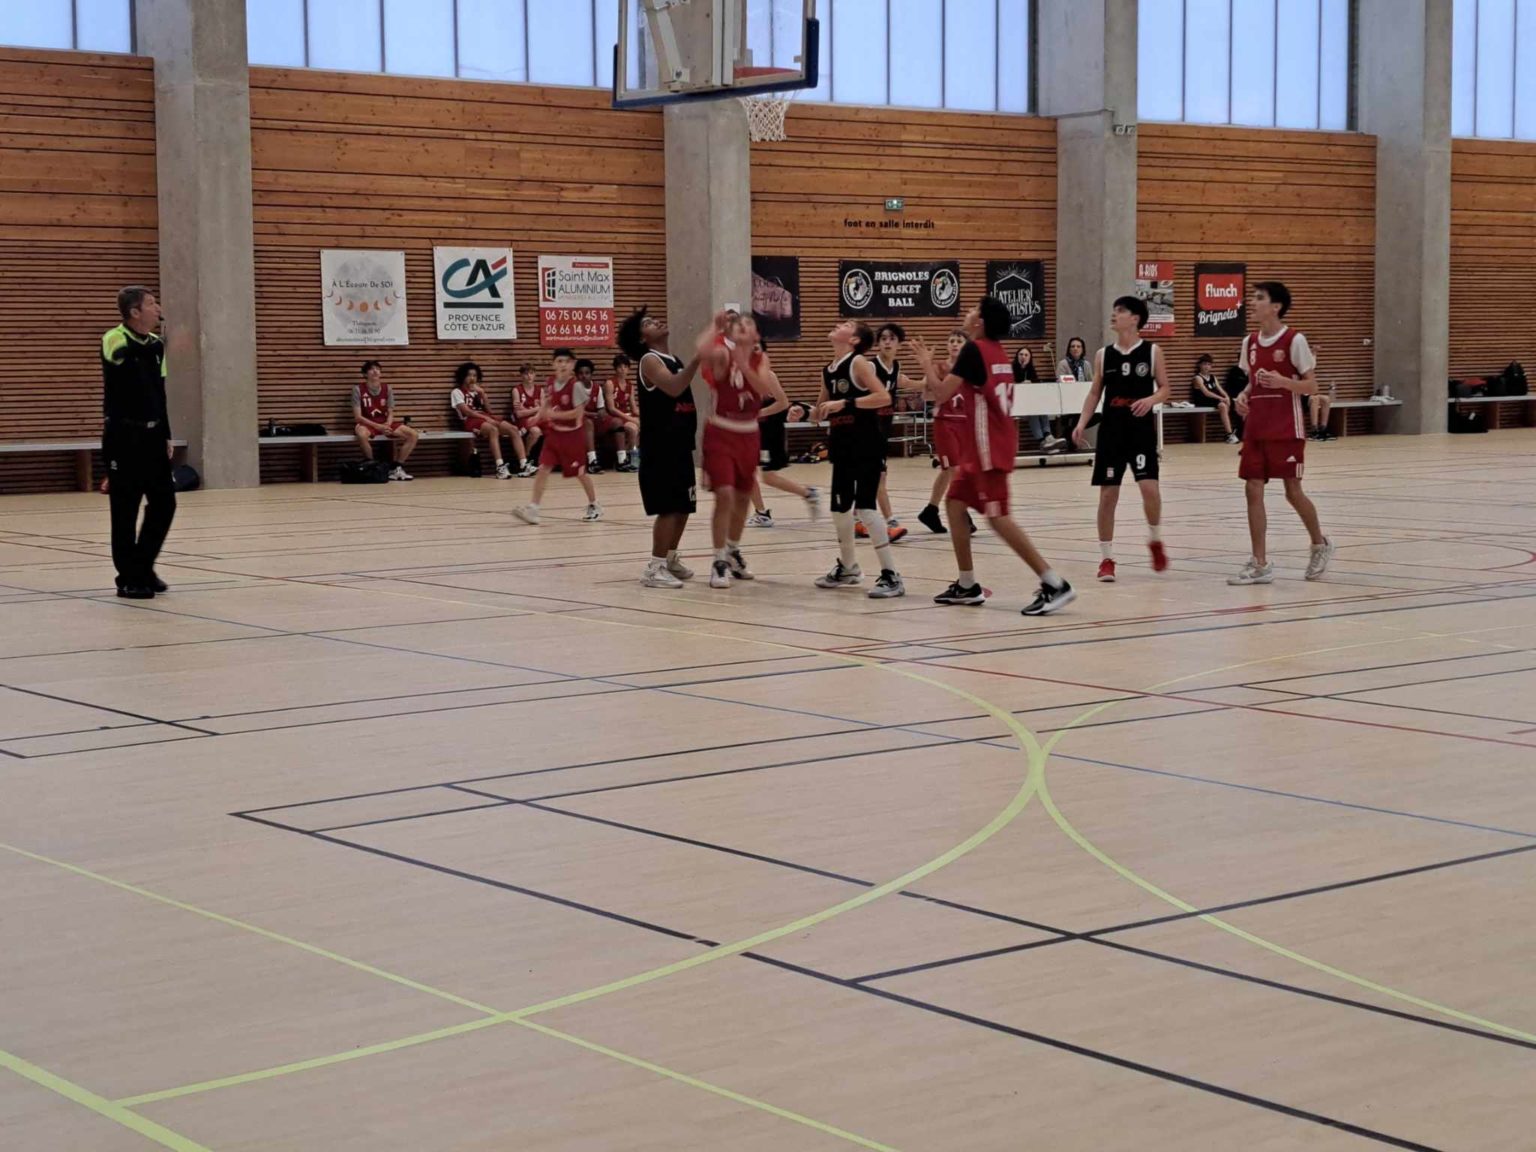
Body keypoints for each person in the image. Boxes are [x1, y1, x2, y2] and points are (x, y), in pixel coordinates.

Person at [910, 297, 1075, 616]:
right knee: (954, 503)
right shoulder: (997, 352)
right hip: (985, 446)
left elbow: (941, 394)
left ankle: (1055, 583)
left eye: (974, 309)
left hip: (989, 448)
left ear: (980, 322)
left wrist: (926, 364)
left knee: (998, 517)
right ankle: (967, 584)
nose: (969, 312)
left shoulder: (974, 350)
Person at [1229, 281, 1334, 584]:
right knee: (1252, 488)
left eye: (1259, 298)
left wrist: (1283, 382)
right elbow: (1252, 381)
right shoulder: (1249, 342)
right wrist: (1243, 396)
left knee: (1292, 491)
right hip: (1256, 427)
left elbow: (1312, 386)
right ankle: (1260, 563)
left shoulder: (1294, 340)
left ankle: (1319, 544)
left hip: (1286, 426)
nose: (1253, 302)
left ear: (1276, 307)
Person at [1073, 296, 1171, 583]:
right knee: (1108, 495)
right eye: (1114, 310)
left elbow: (1165, 388)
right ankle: (1106, 558)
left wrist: (1150, 400)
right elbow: (1095, 393)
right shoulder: (1104, 355)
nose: (1114, 315)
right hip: (1112, 430)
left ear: (1135, 319)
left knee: (1149, 489)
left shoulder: (1152, 352)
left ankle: (1155, 539)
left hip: (1140, 431)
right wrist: (1081, 423)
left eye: (1120, 311)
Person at [812, 321, 904, 598]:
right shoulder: (828, 370)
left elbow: (883, 397)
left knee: (865, 508)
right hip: (841, 445)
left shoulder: (858, 363)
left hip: (866, 443)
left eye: (847, 324)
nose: (839, 324)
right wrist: (805, 412)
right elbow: (820, 410)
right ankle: (849, 567)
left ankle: (891, 575)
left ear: (853, 340)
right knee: (840, 510)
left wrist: (846, 403)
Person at [619, 306, 702, 588]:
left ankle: (669, 558)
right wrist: (699, 358)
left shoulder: (673, 359)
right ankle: (654, 568)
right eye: (648, 323)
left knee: (684, 506)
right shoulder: (649, 360)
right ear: (642, 338)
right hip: (661, 446)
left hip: (680, 443)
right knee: (668, 507)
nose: (656, 321)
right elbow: (675, 387)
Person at [101, 286, 175, 599]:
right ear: (134, 312)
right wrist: (165, 343)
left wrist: (166, 432)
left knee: (165, 503)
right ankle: (128, 578)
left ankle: (143, 567)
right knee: (125, 509)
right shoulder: (114, 338)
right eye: (152, 304)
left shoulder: (156, 345)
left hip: (152, 436)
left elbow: (160, 391)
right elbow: (124, 360)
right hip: (123, 436)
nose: (158, 309)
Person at [701, 312, 775, 589]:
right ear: (731, 333)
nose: (743, 326)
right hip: (721, 432)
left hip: (749, 434)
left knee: (744, 497)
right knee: (724, 495)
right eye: (738, 324)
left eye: (748, 324)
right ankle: (718, 560)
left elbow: (764, 388)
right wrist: (714, 327)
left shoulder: (760, 358)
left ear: (756, 335)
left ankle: (732, 550)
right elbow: (702, 352)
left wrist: (745, 365)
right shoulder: (722, 353)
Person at [514, 348, 602, 524]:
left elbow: (578, 414)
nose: (563, 365)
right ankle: (533, 508)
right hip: (554, 435)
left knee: (580, 473)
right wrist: (537, 417)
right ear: (553, 364)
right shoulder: (551, 382)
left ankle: (594, 504)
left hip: (572, 437)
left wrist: (553, 415)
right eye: (559, 361)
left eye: (566, 361)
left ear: (572, 365)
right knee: (543, 468)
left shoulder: (576, 386)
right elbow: (547, 403)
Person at [746, 338, 821, 527]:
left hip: (770, 431)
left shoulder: (768, 376)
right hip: (752, 431)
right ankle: (762, 513)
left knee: (767, 477)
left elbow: (783, 403)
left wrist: (758, 413)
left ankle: (808, 494)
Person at [859, 323, 912, 541]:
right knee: (878, 477)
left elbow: (912, 384)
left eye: (892, 338)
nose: (887, 342)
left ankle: (858, 520)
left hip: (883, 430)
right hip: (867, 429)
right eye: (883, 338)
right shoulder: (871, 368)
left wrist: (931, 374)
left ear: (899, 343)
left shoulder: (896, 367)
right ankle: (890, 522)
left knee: (869, 478)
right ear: (878, 343)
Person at [916, 329, 972, 535]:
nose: (955, 344)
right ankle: (963, 515)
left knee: (949, 470)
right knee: (954, 469)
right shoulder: (939, 367)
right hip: (945, 422)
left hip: (964, 424)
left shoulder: (971, 369)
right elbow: (926, 396)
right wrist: (930, 380)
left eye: (959, 341)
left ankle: (931, 510)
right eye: (952, 341)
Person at [451, 361, 531, 478]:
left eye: (474, 375)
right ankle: (500, 467)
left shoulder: (478, 391)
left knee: (513, 429)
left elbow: (489, 410)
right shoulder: (457, 392)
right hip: (470, 420)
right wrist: (487, 419)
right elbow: (467, 412)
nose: (472, 378)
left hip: (484, 417)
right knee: (493, 429)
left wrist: (483, 393)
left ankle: (523, 464)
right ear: (463, 377)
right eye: (469, 375)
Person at [353, 360, 419, 481]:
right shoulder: (358, 389)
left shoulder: (387, 388)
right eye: (371, 369)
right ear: (365, 374)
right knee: (361, 434)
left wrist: (387, 425)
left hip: (384, 422)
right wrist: (378, 427)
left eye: (377, 369)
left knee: (413, 434)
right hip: (367, 423)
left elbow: (390, 412)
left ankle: (396, 467)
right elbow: (358, 417)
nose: (375, 371)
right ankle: (372, 465)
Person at [1014, 345, 1061, 449]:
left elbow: (1037, 387)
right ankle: (1041, 440)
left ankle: (1048, 435)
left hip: (1030, 402)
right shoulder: (1012, 370)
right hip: (1017, 405)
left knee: (1040, 407)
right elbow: (1009, 387)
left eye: (1026, 355)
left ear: (1030, 358)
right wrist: (1021, 384)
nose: (1023, 357)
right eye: (1021, 354)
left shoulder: (1031, 370)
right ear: (1017, 356)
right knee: (1033, 410)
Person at [603, 355, 641, 471]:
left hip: (626, 415)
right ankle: (629, 459)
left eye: (625, 367)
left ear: (628, 369)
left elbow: (634, 409)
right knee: (633, 428)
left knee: (643, 425)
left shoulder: (630, 385)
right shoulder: (610, 383)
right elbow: (611, 408)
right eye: (620, 367)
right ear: (615, 368)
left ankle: (630, 456)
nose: (623, 369)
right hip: (614, 417)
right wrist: (631, 419)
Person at [1189, 353, 1238, 443]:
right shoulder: (1197, 378)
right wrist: (1222, 398)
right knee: (1222, 405)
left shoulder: (1213, 377)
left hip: (1213, 400)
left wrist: (1227, 397)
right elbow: (1206, 393)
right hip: (1202, 400)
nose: (1206, 367)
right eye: (1204, 364)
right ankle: (1229, 434)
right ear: (1200, 365)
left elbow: (1220, 389)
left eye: (1209, 364)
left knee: (1228, 403)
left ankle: (1231, 432)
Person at [510, 364, 545, 464]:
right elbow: (519, 414)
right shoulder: (517, 390)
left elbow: (543, 410)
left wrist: (526, 410)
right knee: (535, 431)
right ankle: (526, 457)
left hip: (536, 418)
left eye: (531, 373)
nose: (529, 376)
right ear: (521, 375)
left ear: (535, 375)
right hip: (522, 421)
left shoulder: (540, 390)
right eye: (526, 374)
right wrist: (536, 409)